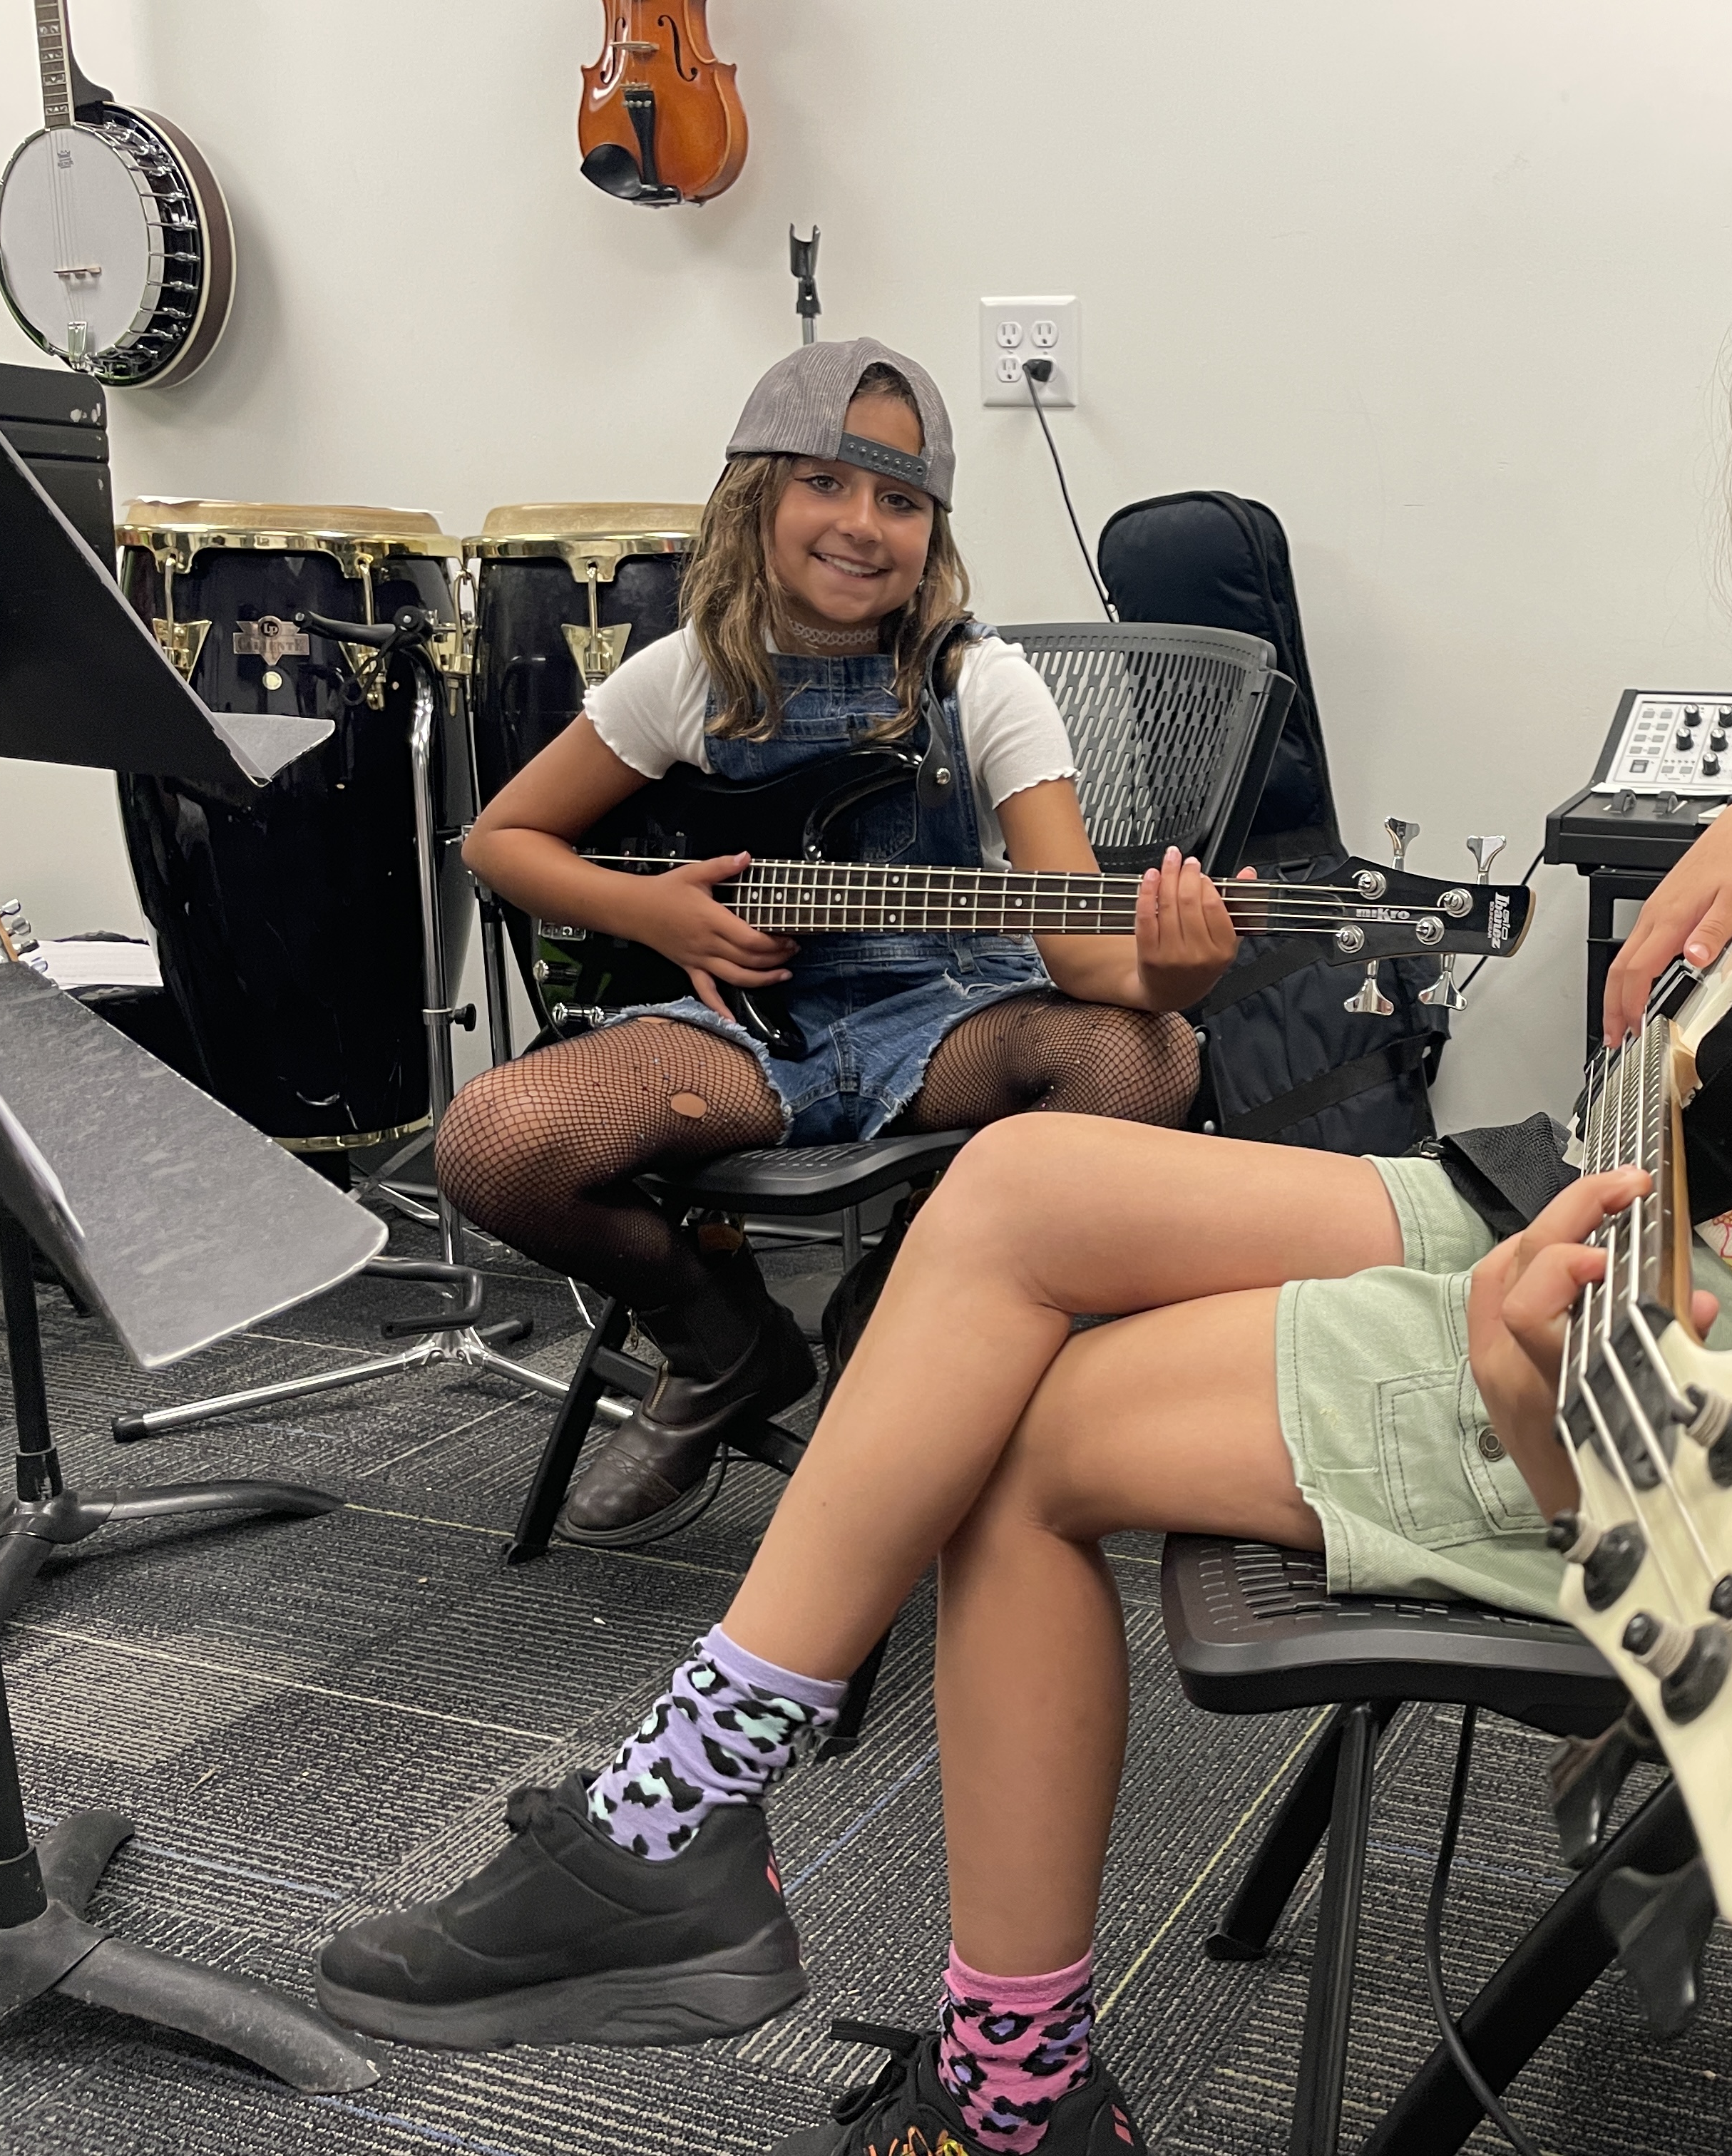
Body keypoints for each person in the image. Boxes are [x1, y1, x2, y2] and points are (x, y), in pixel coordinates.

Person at [318, 202, 1732, 2156]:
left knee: (1004, 1440)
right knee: (1018, 1185)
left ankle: (962, 2053)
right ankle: (687, 1813)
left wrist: (1555, 1385)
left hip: (1699, 1396)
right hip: (1649, 1232)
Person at [442, 339, 1246, 1542]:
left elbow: (1084, 955)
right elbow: (502, 840)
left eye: (901, 501)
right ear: (755, 497)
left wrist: (1170, 973)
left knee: (1150, 1054)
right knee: (493, 1142)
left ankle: (904, 1303)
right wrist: (655, 913)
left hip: (953, 1023)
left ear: (935, 530)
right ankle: (723, 1344)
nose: (863, 525)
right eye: (825, 483)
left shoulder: (986, 685)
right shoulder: (683, 677)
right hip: (752, 1033)